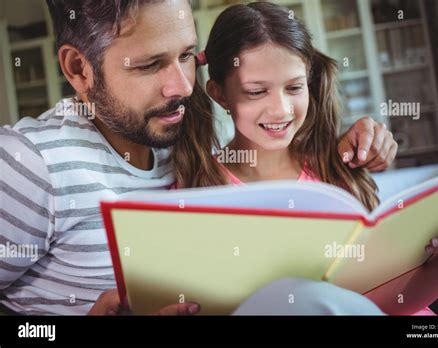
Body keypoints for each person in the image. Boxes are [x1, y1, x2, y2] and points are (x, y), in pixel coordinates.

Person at [1, 0, 398, 315]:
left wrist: (344, 143)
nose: (183, 86)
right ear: (78, 69)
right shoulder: (28, 165)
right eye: (150, 64)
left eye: (187, 55)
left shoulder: (188, 140)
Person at [175, 2, 438, 315]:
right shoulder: (199, 190)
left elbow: (391, 302)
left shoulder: (338, 168)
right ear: (220, 94)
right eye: (256, 91)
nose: (281, 109)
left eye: (294, 87)